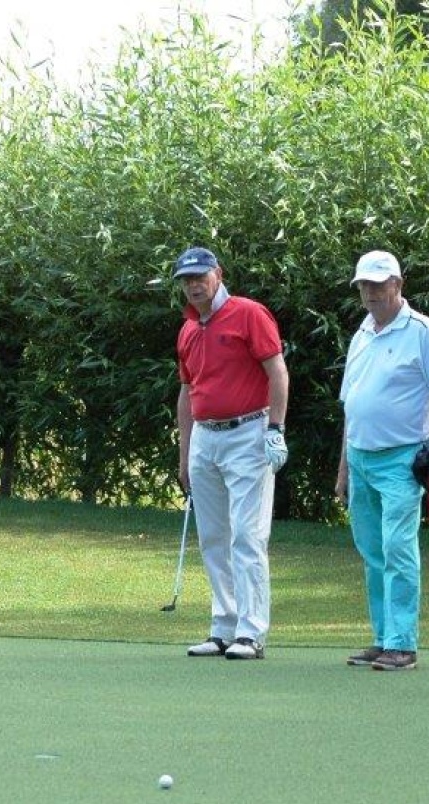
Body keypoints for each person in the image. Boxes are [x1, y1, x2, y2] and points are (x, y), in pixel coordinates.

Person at [335, 251, 429, 672]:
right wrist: (343, 469)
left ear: (398, 284)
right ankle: (383, 637)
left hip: (401, 460)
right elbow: (351, 407)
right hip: (360, 457)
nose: (370, 292)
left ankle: (402, 644)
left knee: (397, 548)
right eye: (364, 285)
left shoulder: (422, 331)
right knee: (372, 551)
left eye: (378, 284)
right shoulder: (361, 333)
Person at [173, 246, 289, 661]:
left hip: (248, 432)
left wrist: (275, 429)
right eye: (187, 280)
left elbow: (277, 372)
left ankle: (251, 632)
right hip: (205, 437)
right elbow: (187, 393)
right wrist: (185, 453)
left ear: (218, 274)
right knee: (214, 537)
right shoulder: (188, 329)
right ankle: (224, 627)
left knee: (247, 534)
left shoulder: (249, 314)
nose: (194, 285)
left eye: (200, 277)